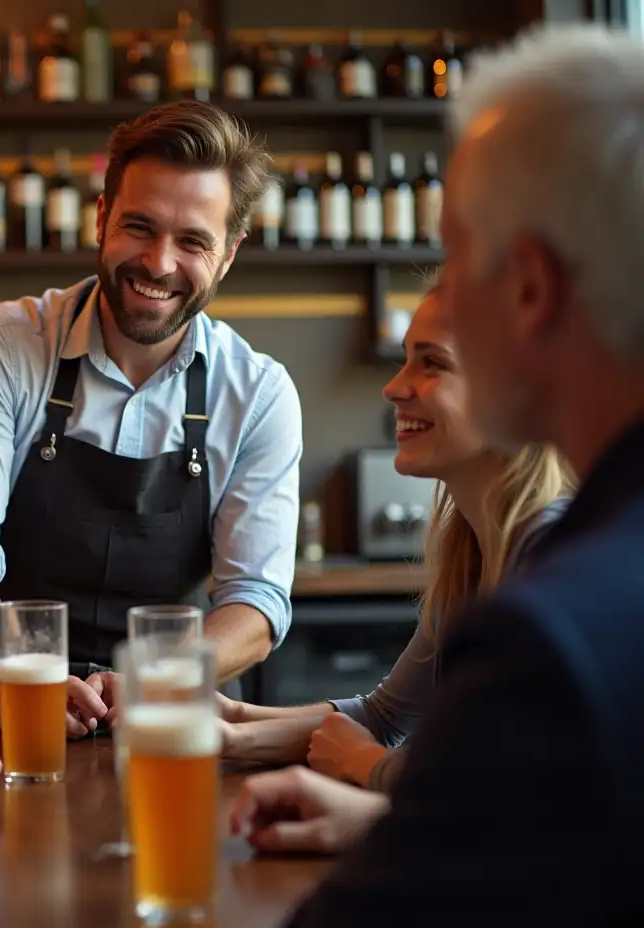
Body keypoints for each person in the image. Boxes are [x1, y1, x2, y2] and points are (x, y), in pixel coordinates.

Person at [231, 23, 644, 925]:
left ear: (529, 289)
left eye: (459, 261)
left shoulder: (559, 632)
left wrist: (387, 802)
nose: (399, 379)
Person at [0, 100, 304, 736]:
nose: (158, 263)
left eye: (193, 241)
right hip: (2, 714)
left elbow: (255, 602)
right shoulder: (0, 346)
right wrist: (12, 684)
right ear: (101, 218)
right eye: (140, 228)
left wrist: (158, 675)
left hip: (166, 724)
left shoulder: (258, 394)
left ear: (229, 254)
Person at [219, 273, 572, 790]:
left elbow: (508, 777)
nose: (393, 386)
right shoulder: (470, 552)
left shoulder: (552, 554)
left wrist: (367, 765)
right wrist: (232, 726)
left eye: (432, 363)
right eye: (406, 357)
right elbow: (381, 718)